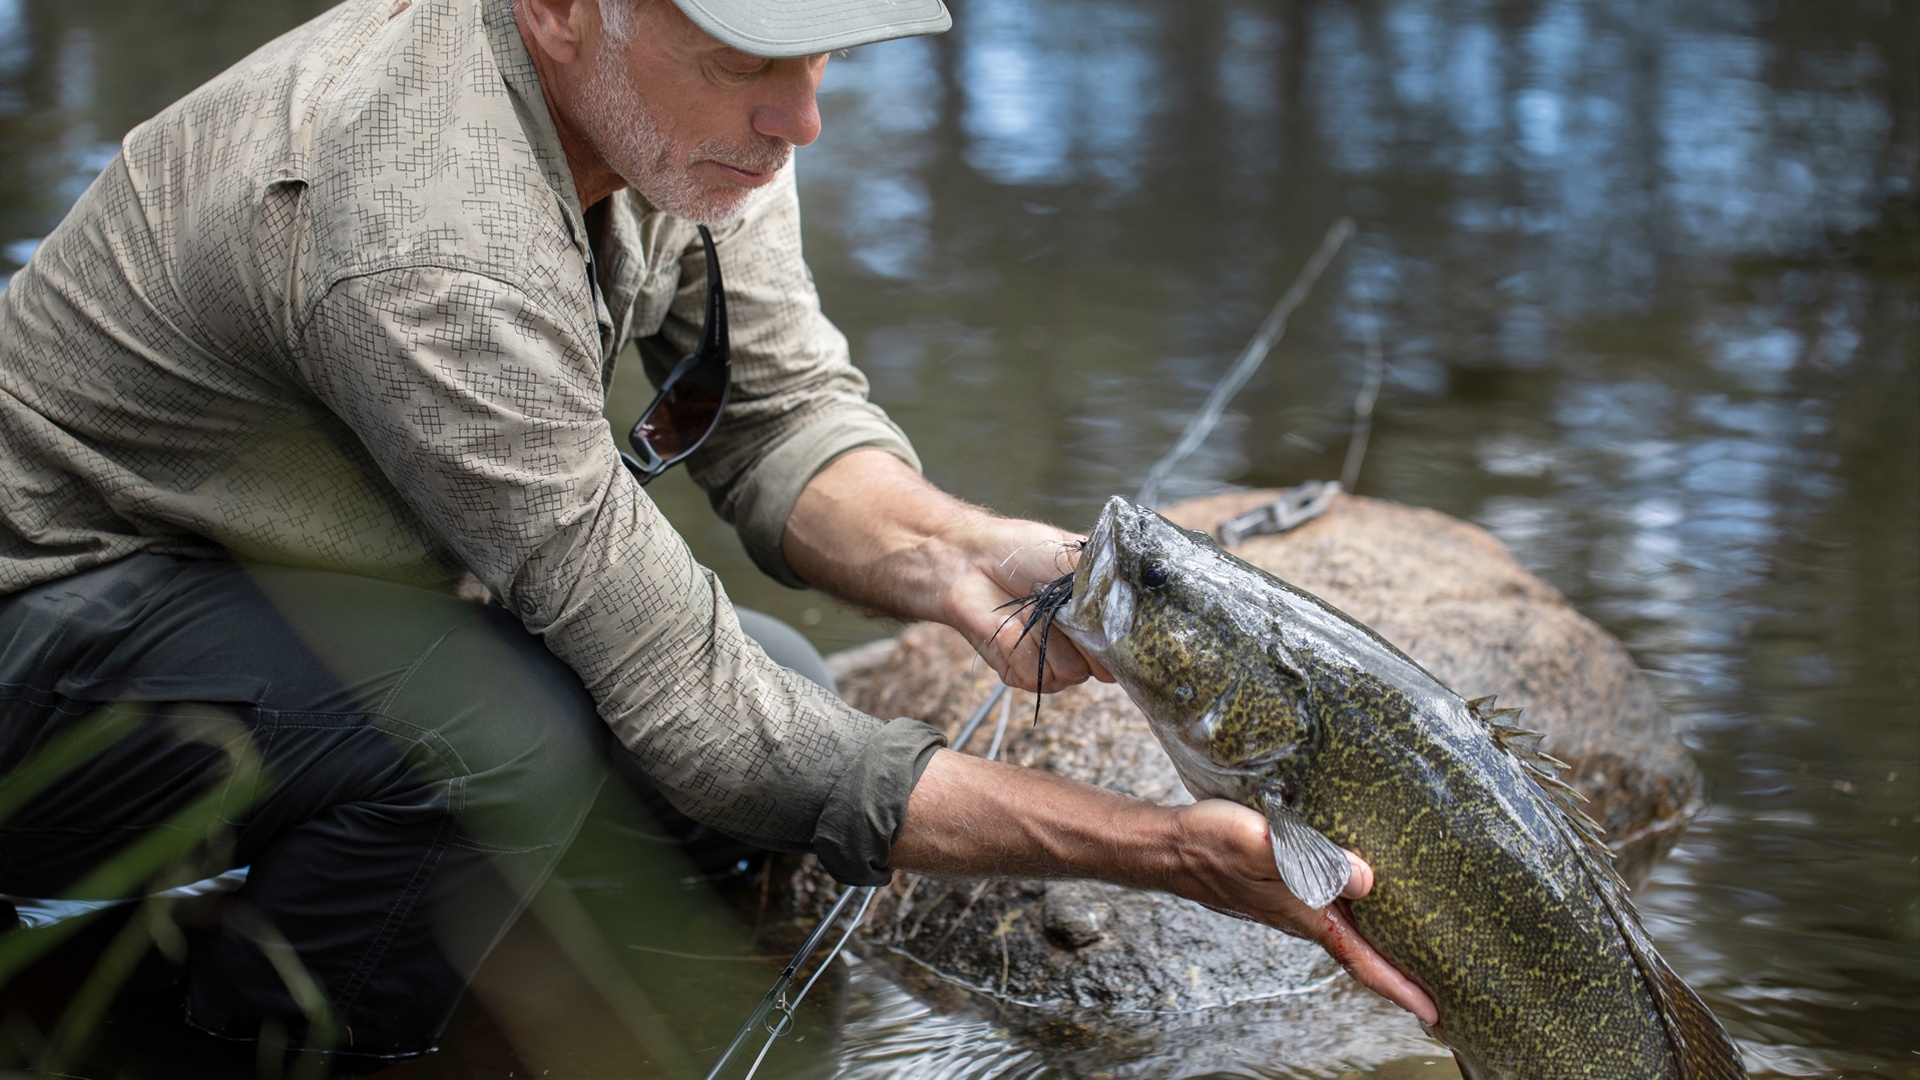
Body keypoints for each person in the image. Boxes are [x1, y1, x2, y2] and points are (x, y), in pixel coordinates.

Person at [0, 0, 1435, 1063]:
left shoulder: (674, 113)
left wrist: (956, 554)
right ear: (564, 13)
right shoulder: (427, 235)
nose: (802, 116)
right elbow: (707, 728)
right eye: (753, 59)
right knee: (496, 727)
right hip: (54, 626)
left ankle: (450, 997)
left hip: (278, 594)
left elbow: (778, 412)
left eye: (820, 60)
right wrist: (1172, 853)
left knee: (775, 698)